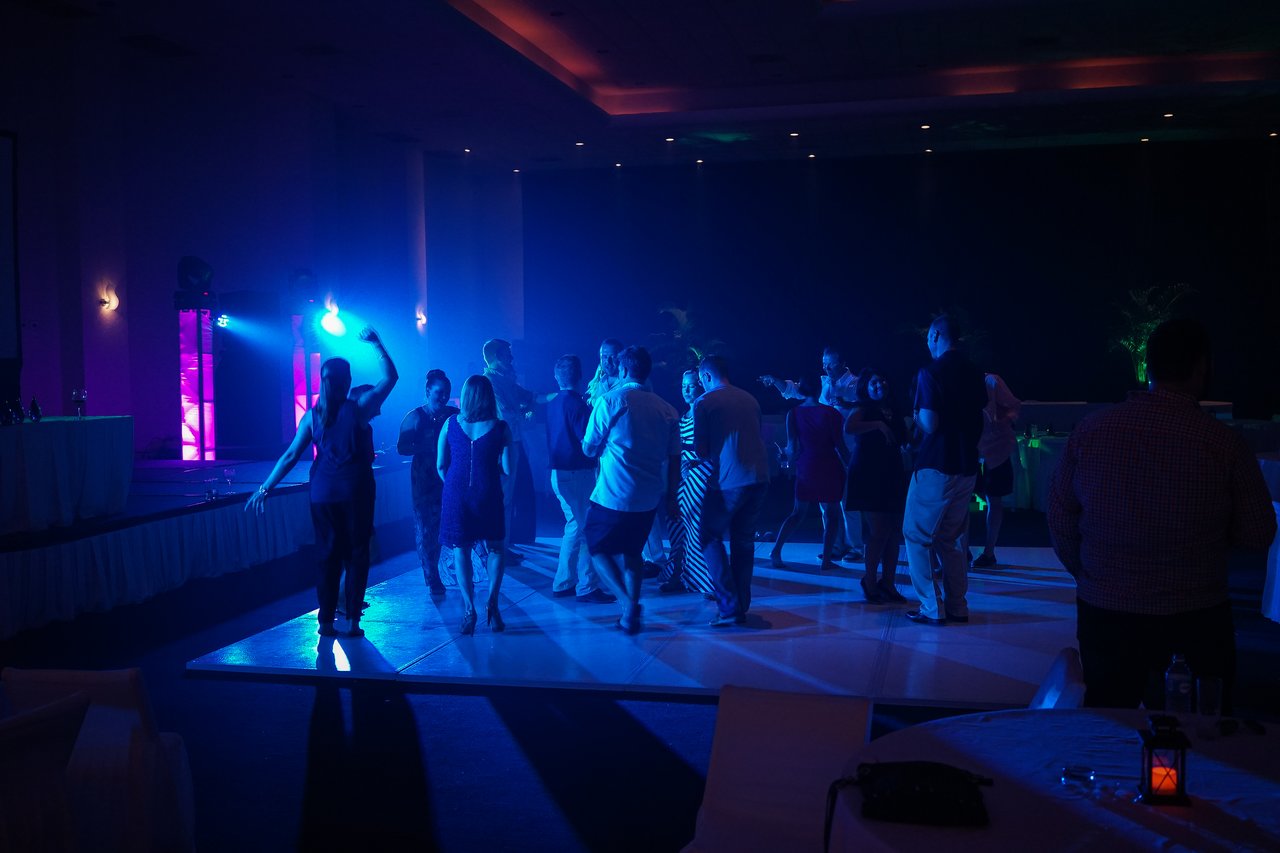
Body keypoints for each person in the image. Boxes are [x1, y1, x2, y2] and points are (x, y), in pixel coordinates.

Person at [1048, 319, 1275, 710]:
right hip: (1196, 617)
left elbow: (1059, 515)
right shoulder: (1224, 444)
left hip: (1107, 612)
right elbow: (1259, 532)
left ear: (1148, 367)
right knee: (1201, 736)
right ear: (1202, 368)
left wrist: (1090, 573)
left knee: (1109, 725)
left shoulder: (1092, 431)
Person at [247, 327, 397, 638]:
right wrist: (377, 344)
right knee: (357, 554)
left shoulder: (312, 416)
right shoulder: (359, 409)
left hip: (322, 495)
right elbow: (390, 377)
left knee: (328, 554)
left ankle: (326, 622)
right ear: (348, 381)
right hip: (355, 491)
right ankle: (352, 621)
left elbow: (290, 456)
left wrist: (264, 489)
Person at [581, 346, 680, 634]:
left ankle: (627, 603)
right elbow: (675, 458)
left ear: (623, 370)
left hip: (612, 495)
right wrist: (671, 497)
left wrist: (601, 447)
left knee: (596, 547)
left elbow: (588, 448)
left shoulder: (611, 401)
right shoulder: (667, 410)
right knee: (634, 553)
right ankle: (629, 615)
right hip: (648, 497)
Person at [902, 315, 987, 626]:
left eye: (929, 336)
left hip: (936, 464)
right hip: (967, 466)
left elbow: (930, 423)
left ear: (937, 335)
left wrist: (915, 413)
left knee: (916, 534)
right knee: (949, 539)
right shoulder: (974, 371)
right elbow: (983, 415)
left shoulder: (931, 372)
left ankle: (930, 607)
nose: (928, 342)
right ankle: (957, 606)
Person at [761, 346, 864, 561]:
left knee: (847, 505)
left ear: (842, 362)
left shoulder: (854, 383)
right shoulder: (823, 385)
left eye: (830, 363)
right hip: (825, 458)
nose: (825, 367)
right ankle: (833, 549)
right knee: (829, 507)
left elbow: (865, 404)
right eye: (823, 363)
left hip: (839, 454)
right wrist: (776, 381)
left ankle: (855, 547)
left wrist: (850, 404)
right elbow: (794, 389)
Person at [695, 355, 770, 627]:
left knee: (708, 536)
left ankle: (727, 606)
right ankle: (741, 604)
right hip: (760, 476)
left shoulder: (704, 402)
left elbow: (702, 450)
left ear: (705, 376)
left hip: (729, 480)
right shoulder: (750, 399)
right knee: (743, 540)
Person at [438, 374, 512, 635]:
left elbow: (440, 465)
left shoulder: (449, 424)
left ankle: (469, 609)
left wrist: (454, 487)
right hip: (487, 492)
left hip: (455, 494)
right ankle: (492, 602)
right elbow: (507, 468)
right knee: (496, 548)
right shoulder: (500, 428)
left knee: (461, 549)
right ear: (489, 397)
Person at [546, 355, 614, 603]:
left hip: (558, 472)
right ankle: (586, 586)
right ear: (580, 376)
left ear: (556, 376)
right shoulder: (579, 406)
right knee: (586, 527)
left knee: (574, 524)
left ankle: (564, 582)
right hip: (578, 473)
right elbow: (589, 441)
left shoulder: (552, 404)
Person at [769, 375, 847, 572]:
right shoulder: (832, 414)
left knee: (797, 512)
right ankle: (826, 560)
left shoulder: (793, 413)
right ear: (819, 389)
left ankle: (776, 551)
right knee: (831, 514)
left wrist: (783, 458)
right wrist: (851, 466)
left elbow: (791, 449)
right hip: (829, 465)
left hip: (807, 466)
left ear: (801, 390)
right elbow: (840, 446)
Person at [844, 369, 909, 604]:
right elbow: (849, 428)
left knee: (892, 530)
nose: (880, 384)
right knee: (879, 530)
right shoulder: (863, 407)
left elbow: (903, 439)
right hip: (869, 474)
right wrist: (878, 426)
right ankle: (869, 580)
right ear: (865, 386)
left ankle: (888, 583)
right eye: (874, 381)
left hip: (890, 472)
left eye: (883, 379)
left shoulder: (893, 409)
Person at [397, 369, 458, 596]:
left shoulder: (453, 414)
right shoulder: (414, 417)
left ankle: (449, 570)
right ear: (427, 391)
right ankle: (431, 576)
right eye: (439, 393)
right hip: (423, 478)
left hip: (449, 476)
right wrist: (427, 447)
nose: (443, 397)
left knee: (446, 524)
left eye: (447, 393)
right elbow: (401, 448)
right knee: (426, 528)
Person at [658, 369, 716, 595]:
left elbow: (712, 449)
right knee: (677, 529)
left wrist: (692, 463)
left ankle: (704, 581)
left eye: (691, 385)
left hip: (700, 478)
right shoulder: (683, 417)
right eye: (684, 385)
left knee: (696, 531)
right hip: (681, 480)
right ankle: (679, 575)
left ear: (701, 385)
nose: (686, 389)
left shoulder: (707, 413)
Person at [482, 338, 535, 555]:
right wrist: (524, 412)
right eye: (507, 354)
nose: (511, 358)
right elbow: (506, 414)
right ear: (496, 357)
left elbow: (529, 397)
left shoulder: (506, 379)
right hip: (503, 445)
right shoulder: (490, 381)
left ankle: (504, 543)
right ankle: (498, 547)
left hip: (513, 442)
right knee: (504, 495)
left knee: (512, 494)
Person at [971, 373, 1021, 568]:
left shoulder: (991, 381)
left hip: (996, 449)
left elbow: (1015, 406)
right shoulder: (959, 380)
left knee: (994, 499)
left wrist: (1002, 418)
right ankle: (962, 551)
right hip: (970, 449)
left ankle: (989, 551)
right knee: (964, 500)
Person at [585, 338, 624, 404]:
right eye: (604, 356)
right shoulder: (596, 384)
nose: (608, 361)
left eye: (612, 357)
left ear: (620, 358)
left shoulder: (626, 383)